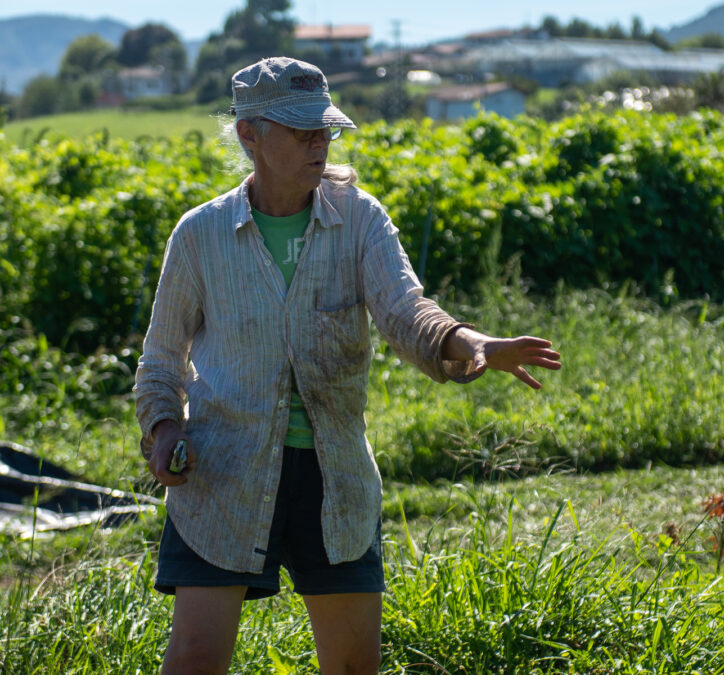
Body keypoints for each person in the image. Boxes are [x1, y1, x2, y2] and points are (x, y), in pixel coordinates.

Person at [134, 56, 561, 675]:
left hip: (333, 478)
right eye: (300, 129)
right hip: (222, 474)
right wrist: (165, 430)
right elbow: (160, 362)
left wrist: (467, 342)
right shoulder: (200, 236)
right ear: (249, 134)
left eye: (324, 128)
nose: (319, 141)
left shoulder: (359, 219)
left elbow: (405, 308)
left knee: (355, 665)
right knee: (196, 660)